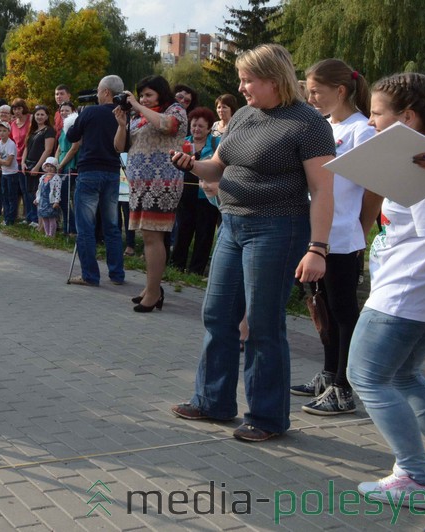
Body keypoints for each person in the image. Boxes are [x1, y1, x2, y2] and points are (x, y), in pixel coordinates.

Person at [169, 44, 335, 442]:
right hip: (232, 224)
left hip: (278, 229)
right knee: (217, 315)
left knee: (262, 324)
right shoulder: (244, 116)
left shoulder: (309, 123)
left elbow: (323, 189)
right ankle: (213, 401)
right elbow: (218, 166)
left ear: (274, 79)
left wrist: (318, 248)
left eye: (248, 80)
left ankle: (267, 417)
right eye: (241, 79)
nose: (241, 87)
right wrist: (192, 163)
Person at [346, 72, 425, 510]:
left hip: (404, 296)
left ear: (407, 116)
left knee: (366, 376)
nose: (370, 123)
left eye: (376, 114)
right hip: (419, 295)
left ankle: (416, 477)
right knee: (404, 376)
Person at [292, 59, 381, 416]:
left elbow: (373, 191)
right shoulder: (323, 126)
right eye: (308, 90)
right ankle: (329, 374)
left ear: (340, 90)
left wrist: (360, 231)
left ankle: (344, 388)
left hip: (343, 237)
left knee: (344, 311)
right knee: (322, 309)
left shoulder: (363, 131)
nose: (310, 97)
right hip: (318, 235)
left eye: (316, 90)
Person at [113, 75, 186, 310]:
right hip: (139, 184)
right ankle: (151, 287)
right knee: (149, 237)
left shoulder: (176, 110)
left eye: (148, 95)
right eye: (141, 94)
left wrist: (136, 105)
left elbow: (167, 126)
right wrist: (122, 124)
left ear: (161, 94)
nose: (143, 98)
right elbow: (119, 147)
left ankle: (154, 293)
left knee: (153, 236)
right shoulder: (139, 117)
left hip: (162, 183)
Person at [65, 74, 127, 287]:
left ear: (106, 92)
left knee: (86, 226)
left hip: (90, 171)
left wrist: (78, 119)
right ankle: (117, 274)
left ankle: (90, 275)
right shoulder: (122, 115)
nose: (97, 94)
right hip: (111, 172)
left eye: (99, 90)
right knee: (112, 226)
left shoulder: (89, 111)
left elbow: (71, 136)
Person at [171, 107, 221, 276]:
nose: (196, 129)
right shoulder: (183, 143)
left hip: (207, 196)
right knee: (182, 230)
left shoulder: (216, 143)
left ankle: (196, 271)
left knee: (205, 234)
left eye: (201, 126)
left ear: (208, 128)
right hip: (184, 195)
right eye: (194, 125)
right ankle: (176, 267)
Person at [22, 105, 56, 228]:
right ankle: (31, 217)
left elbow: (48, 150)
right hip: (28, 164)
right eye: (37, 114)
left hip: (40, 166)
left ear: (47, 116)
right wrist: (23, 162)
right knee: (29, 193)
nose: (39, 117)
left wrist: (37, 167)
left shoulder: (49, 131)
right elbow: (26, 147)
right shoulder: (32, 130)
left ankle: (39, 222)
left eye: (42, 114)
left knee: (39, 194)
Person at [55, 101, 79, 236]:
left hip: (70, 166)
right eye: (62, 110)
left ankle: (73, 229)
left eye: (66, 110)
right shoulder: (62, 128)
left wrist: (62, 164)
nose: (63, 113)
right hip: (60, 165)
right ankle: (67, 228)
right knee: (62, 198)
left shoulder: (74, 126)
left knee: (68, 198)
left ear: (73, 111)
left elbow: (74, 148)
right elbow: (59, 148)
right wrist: (54, 163)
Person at [0, 120, 20, 226]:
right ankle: (6, 217)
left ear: (8, 132)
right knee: (4, 195)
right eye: (0, 131)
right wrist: (0, 161)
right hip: (4, 173)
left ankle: (11, 219)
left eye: (4, 131)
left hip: (12, 173)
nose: (2, 133)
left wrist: (0, 161)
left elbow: (8, 162)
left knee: (12, 196)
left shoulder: (11, 144)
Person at [33, 157, 61, 237]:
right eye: (48, 166)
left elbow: (57, 191)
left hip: (51, 201)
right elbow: (40, 189)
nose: (49, 168)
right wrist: (37, 199)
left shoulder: (56, 178)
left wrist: (56, 201)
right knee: (44, 218)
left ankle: (52, 235)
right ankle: (47, 233)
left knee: (51, 218)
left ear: (55, 168)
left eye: (52, 166)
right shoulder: (43, 178)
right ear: (45, 167)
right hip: (43, 201)